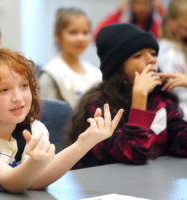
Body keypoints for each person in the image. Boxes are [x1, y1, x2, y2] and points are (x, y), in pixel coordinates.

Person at [0, 48, 123, 192]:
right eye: (4, 90)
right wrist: (35, 163)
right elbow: (9, 182)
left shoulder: (34, 128)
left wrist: (83, 144)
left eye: (24, 86)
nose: (18, 98)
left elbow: (35, 181)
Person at [62, 23, 187, 169]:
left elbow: (183, 145)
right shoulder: (100, 106)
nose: (151, 60)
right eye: (138, 55)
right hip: (107, 187)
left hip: (149, 184)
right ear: (118, 66)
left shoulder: (160, 99)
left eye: (153, 53)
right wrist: (139, 100)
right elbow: (133, 154)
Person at [39, 7, 102, 108]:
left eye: (85, 32)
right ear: (58, 36)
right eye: (73, 32)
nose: (80, 38)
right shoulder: (51, 74)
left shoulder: (95, 73)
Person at [157, 0, 187, 120]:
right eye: (185, 27)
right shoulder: (169, 52)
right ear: (171, 24)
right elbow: (174, 91)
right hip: (180, 115)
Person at [93, 0, 164, 40]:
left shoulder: (157, 27)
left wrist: (161, 10)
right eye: (137, 3)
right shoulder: (124, 26)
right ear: (130, 5)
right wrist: (118, 11)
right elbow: (98, 35)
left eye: (145, 4)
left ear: (153, 5)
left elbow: (171, 32)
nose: (141, 8)